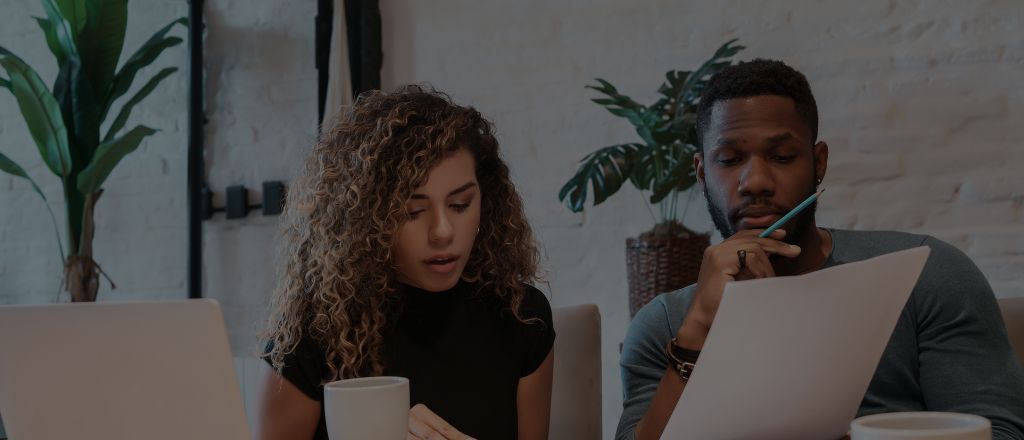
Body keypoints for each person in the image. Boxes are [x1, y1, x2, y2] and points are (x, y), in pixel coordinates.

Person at [616, 59, 1024, 440]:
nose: (755, 180)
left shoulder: (928, 274)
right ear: (703, 173)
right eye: (729, 159)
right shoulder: (664, 325)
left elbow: (998, 432)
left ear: (819, 162)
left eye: (781, 156)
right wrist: (698, 328)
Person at [257, 85, 555, 440]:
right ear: (367, 219)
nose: (443, 231)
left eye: (460, 205)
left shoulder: (522, 315)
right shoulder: (314, 330)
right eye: (412, 212)